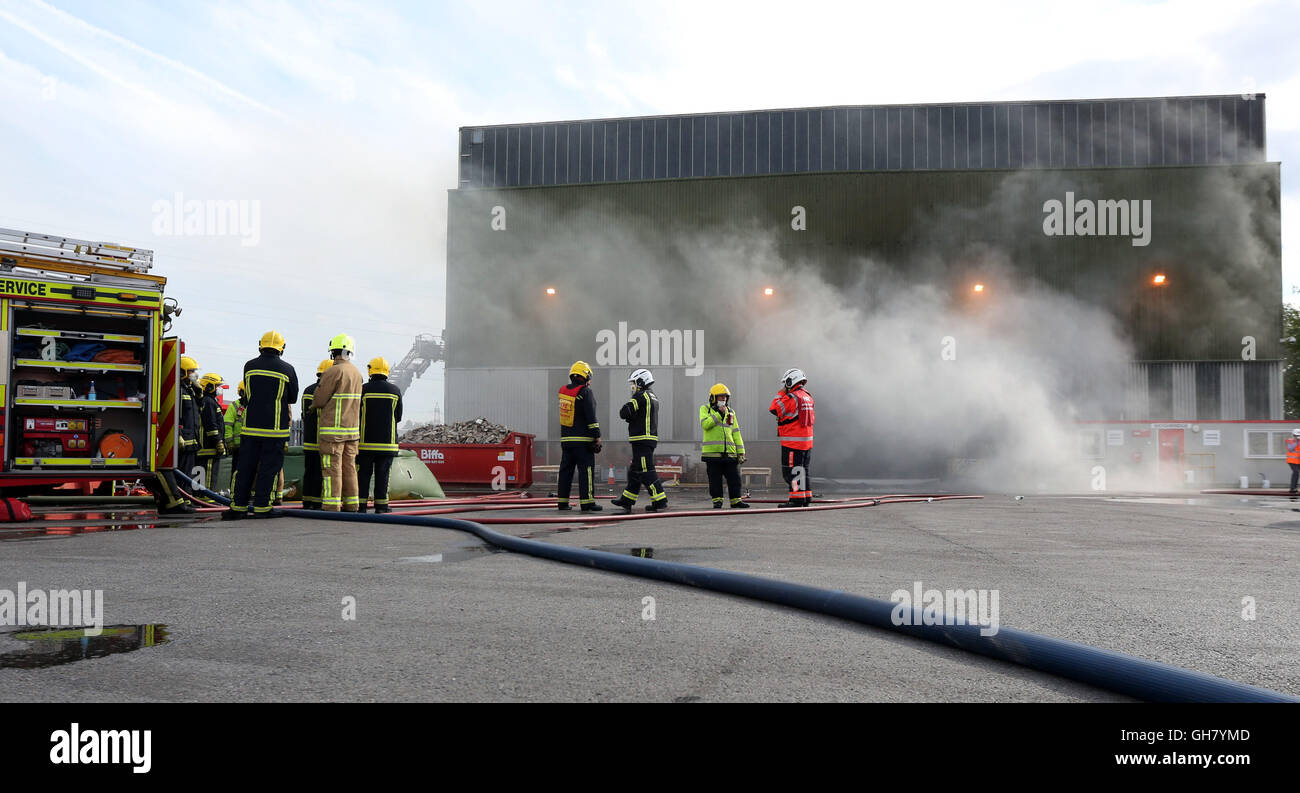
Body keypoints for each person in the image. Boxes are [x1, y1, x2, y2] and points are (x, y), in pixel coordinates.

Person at [224, 331, 298, 520]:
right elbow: (292, 397)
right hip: (275, 430)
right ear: (282, 348)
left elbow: (247, 395)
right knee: (269, 469)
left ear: (260, 345)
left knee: (245, 468)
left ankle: (238, 506)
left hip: (250, 428)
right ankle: (263, 507)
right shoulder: (287, 369)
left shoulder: (249, 366)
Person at [313, 334, 364, 512]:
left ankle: (331, 505)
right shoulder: (357, 374)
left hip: (333, 433)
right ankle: (352, 504)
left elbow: (319, 400)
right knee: (349, 467)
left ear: (335, 352)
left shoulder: (333, 372)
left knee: (331, 468)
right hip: (352, 432)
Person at [610, 369, 667, 513]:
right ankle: (626, 501)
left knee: (646, 471)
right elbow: (640, 415)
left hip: (642, 440)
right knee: (635, 472)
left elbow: (624, 412)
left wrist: (629, 413)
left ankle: (660, 500)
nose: (633, 386)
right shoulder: (653, 396)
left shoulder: (640, 396)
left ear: (641, 382)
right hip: (648, 439)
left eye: (634, 383)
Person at [357, 357, 403, 513]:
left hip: (365, 443)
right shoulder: (395, 391)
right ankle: (381, 506)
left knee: (363, 475)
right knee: (383, 475)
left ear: (370, 370)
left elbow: (357, 414)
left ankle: (361, 505)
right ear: (387, 371)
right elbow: (399, 417)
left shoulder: (363, 390)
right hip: (387, 444)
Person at [556, 360, 602, 511]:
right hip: (583, 441)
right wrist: (597, 436)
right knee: (586, 471)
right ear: (585, 376)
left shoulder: (563, 392)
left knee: (565, 471)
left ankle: (562, 502)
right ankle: (587, 503)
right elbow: (591, 417)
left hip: (566, 440)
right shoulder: (585, 392)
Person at [769, 367, 815, 508]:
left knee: (792, 471)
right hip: (806, 443)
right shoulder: (807, 396)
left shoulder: (792, 397)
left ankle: (796, 500)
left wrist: (780, 392)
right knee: (803, 470)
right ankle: (805, 497)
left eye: (786, 383)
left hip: (792, 442)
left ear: (790, 382)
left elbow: (774, 408)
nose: (785, 387)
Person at [700, 383, 749, 509]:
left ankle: (736, 501)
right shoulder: (705, 409)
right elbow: (706, 425)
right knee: (715, 480)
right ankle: (717, 501)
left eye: (725, 397)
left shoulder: (731, 412)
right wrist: (718, 414)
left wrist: (741, 451)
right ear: (713, 398)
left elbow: (736, 432)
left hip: (730, 453)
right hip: (712, 453)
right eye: (720, 397)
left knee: (734, 478)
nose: (723, 400)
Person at [300, 360, 332, 510]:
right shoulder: (328, 391)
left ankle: (307, 501)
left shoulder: (307, 390)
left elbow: (304, 415)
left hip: (308, 439)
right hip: (323, 439)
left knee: (309, 470)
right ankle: (318, 501)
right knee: (321, 472)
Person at [196, 373, 227, 491]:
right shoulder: (209, 402)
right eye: (218, 386)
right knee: (208, 473)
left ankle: (202, 496)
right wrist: (218, 441)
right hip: (209, 447)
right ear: (209, 386)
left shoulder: (209, 401)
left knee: (205, 473)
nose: (220, 389)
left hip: (207, 447)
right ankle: (206, 496)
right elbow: (211, 425)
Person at [177, 355, 201, 483]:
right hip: (183, 441)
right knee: (182, 471)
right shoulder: (178, 391)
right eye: (192, 371)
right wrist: (178, 435)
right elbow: (176, 416)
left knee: (188, 472)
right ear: (182, 372)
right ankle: (182, 497)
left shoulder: (189, 391)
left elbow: (198, 411)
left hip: (192, 441)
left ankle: (187, 497)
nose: (195, 374)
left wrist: (199, 394)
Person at [223, 380, 246, 488]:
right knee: (237, 471)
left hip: (250, 446)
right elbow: (227, 425)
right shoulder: (235, 406)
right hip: (238, 446)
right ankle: (234, 492)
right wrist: (229, 442)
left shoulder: (255, 406)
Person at [1287, 429, 1300, 495]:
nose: (1297, 437)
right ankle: (1292, 488)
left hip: (1298, 461)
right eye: (1296, 435)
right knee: (1296, 472)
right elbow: (1290, 449)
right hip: (1291, 461)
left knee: (1297, 473)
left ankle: (1295, 488)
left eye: (1298, 435)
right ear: (1293, 435)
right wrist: (1296, 442)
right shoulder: (1290, 441)